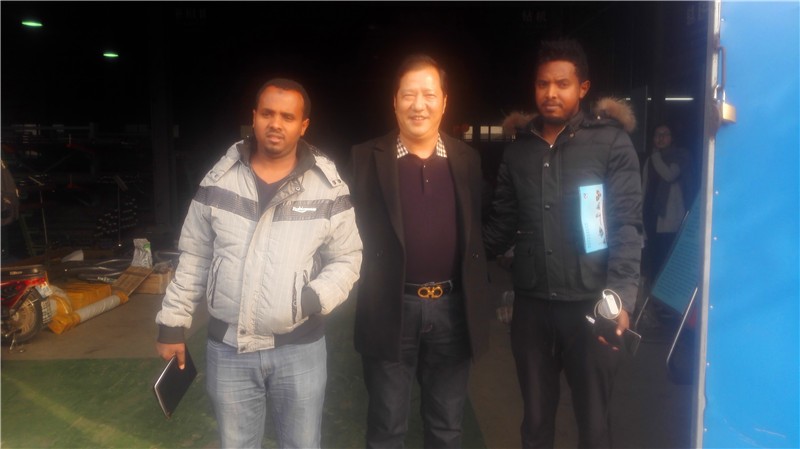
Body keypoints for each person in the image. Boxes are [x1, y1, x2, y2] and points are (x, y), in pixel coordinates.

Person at [155, 78, 363, 449]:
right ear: (254, 117)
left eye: (287, 116)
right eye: (268, 113)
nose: (275, 123)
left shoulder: (327, 186)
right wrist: (172, 322)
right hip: (229, 349)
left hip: (300, 348)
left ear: (303, 125)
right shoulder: (219, 180)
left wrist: (312, 298)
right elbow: (195, 253)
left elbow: (348, 256)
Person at [484, 39, 643, 448]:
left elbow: (627, 225)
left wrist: (622, 299)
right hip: (532, 309)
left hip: (591, 307)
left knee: (594, 425)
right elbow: (500, 226)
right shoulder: (519, 151)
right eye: (542, 84)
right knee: (535, 422)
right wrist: (455, 252)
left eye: (562, 84)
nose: (550, 93)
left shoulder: (610, 143)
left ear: (583, 88)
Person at [348, 54, 492, 448]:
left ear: (444, 102)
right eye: (408, 95)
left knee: (446, 428)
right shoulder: (364, 158)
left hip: (451, 309)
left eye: (429, 95)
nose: (419, 105)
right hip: (390, 307)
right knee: (386, 428)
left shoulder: (467, 159)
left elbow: (477, 231)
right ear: (394, 101)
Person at [641, 124, 693, 280]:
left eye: (665, 134)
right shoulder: (650, 160)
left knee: (669, 259)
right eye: (657, 134)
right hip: (652, 215)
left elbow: (670, 175)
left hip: (672, 217)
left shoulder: (680, 156)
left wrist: (656, 157)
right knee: (655, 258)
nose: (661, 138)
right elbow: (644, 188)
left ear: (672, 138)